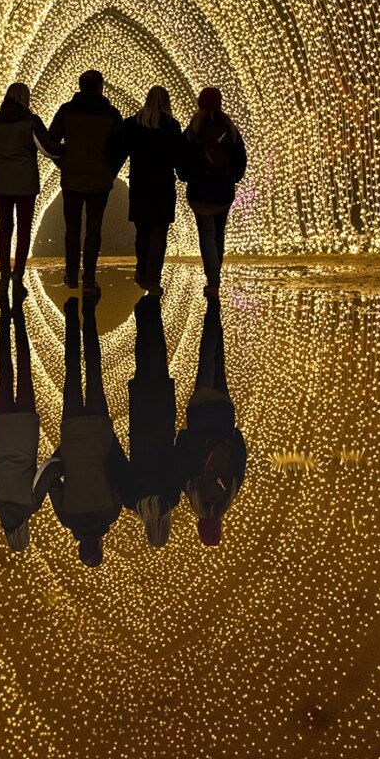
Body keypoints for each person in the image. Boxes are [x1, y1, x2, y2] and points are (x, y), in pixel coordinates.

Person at [34, 296, 128, 567]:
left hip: (98, 431)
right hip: (73, 432)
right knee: (72, 370)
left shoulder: (110, 513)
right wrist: (66, 454)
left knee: (94, 371)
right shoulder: (67, 518)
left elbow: (117, 472)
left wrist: (111, 440)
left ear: (99, 544)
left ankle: (90, 311)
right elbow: (53, 481)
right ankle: (71, 313)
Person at [176, 299, 246, 547]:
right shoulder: (193, 493)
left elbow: (240, 459)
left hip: (223, 414)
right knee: (205, 362)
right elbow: (182, 454)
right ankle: (211, 312)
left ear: (218, 526)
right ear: (200, 525)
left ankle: (215, 313)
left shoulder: (229, 495)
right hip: (200, 412)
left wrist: (233, 434)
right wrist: (185, 434)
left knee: (219, 364)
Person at [49, 70, 122, 296]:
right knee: (93, 228)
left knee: (72, 228)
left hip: (72, 178)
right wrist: (110, 171)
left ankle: (71, 275)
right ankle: (89, 278)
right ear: (101, 87)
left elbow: (51, 142)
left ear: (80, 87)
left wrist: (64, 161)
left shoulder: (66, 111)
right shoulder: (111, 114)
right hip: (99, 179)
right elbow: (119, 148)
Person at [0, 82, 58, 297]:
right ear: (25, 98)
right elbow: (47, 149)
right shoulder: (31, 122)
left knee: (5, 227)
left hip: (2, 184)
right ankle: (18, 275)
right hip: (26, 184)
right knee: (24, 229)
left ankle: (4, 272)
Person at [0, 298, 44, 551]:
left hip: (26, 430)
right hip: (3, 430)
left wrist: (66, 458)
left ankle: (19, 316)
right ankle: (4, 316)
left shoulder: (31, 504)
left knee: (24, 370)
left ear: (23, 531)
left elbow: (47, 470)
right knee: (5, 372)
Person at [110, 85, 181, 295]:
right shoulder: (171, 126)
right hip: (163, 186)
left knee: (142, 232)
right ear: (166, 102)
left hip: (141, 185)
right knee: (159, 232)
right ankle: (153, 279)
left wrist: (110, 174)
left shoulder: (133, 124)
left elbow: (119, 151)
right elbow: (178, 157)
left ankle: (141, 271)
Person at [176, 86, 246, 298]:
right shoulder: (230, 128)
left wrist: (186, 176)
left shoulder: (193, 129)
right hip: (223, 191)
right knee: (218, 234)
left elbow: (182, 160)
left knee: (206, 234)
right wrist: (233, 177)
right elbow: (241, 158)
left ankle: (213, 281)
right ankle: (215, 278)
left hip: (200, 192)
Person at [123, 295, 181, 547]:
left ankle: (152, 310)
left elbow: (178, 459)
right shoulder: (132, 499)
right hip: (140, 421)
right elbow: (120, 465)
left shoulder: (172, 497)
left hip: (162, 418)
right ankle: (141, 316)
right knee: (142, 363)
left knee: (158, 361)